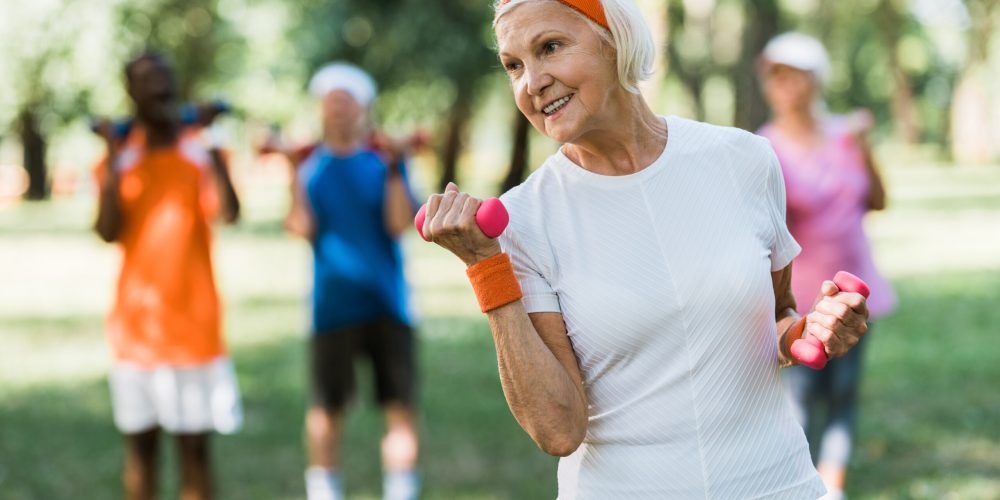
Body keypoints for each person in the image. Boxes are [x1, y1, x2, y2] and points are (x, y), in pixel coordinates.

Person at [418, 1, 872, 498]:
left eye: (550, 47)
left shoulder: (743, 160)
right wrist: (487, 269)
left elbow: (779, 317)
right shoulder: (524, 218)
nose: (532, 82)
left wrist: (812, 330)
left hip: (777, 486)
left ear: (616, 38)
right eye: (514, 66)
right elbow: (558, 430)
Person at [92, 52, 242, 500]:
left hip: (193, 326)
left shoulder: (198, 152)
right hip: (135, 328)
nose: (160, 90)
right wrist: (110, 158)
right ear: (131, 93)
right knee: (141, 452)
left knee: (195, 452)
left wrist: (212, 145)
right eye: (148, 82)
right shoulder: (122, 157)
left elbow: (230, 213)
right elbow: (106, 231)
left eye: (166, 80)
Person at [756, 32, 897, 500]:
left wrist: (865, 147)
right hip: (802, 300)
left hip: (857, 288)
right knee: (797, 398)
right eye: (776, 75)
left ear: (816, 80)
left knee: (843, 393)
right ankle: (798, 484)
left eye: (794, 74)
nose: (785, 85)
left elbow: (876, 201)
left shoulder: (846, 134)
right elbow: (765, 230)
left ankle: (831, 486)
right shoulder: (763, 148)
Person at [284, 63, 421, 500]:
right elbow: (302, 228)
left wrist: (398, 167)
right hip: (332, 307)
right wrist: (291, 171)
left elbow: (401, 224)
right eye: (330, 103)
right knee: (326, 410)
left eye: (346, 101)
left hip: (388, 303)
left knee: (398, 408)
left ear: (364, 108)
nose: (337, 111)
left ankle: (401, 491)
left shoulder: (385, 164)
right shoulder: (311, 169)